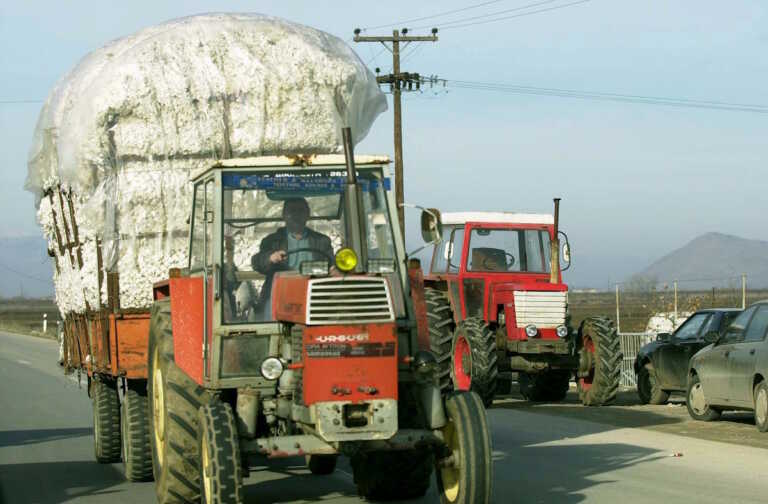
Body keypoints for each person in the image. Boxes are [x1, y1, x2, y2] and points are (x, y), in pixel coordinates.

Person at [251, 197, 334, 320]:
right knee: (269, 317)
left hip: (313, 295)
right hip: (280, 294)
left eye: (300, 211)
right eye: (291, 211)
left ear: (308, 214)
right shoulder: (272, 241)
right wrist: (270, 258)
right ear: (284, 215)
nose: (296, 215)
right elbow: (256, 262)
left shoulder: (321, 241)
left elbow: (332, 265)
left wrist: (334, 269)